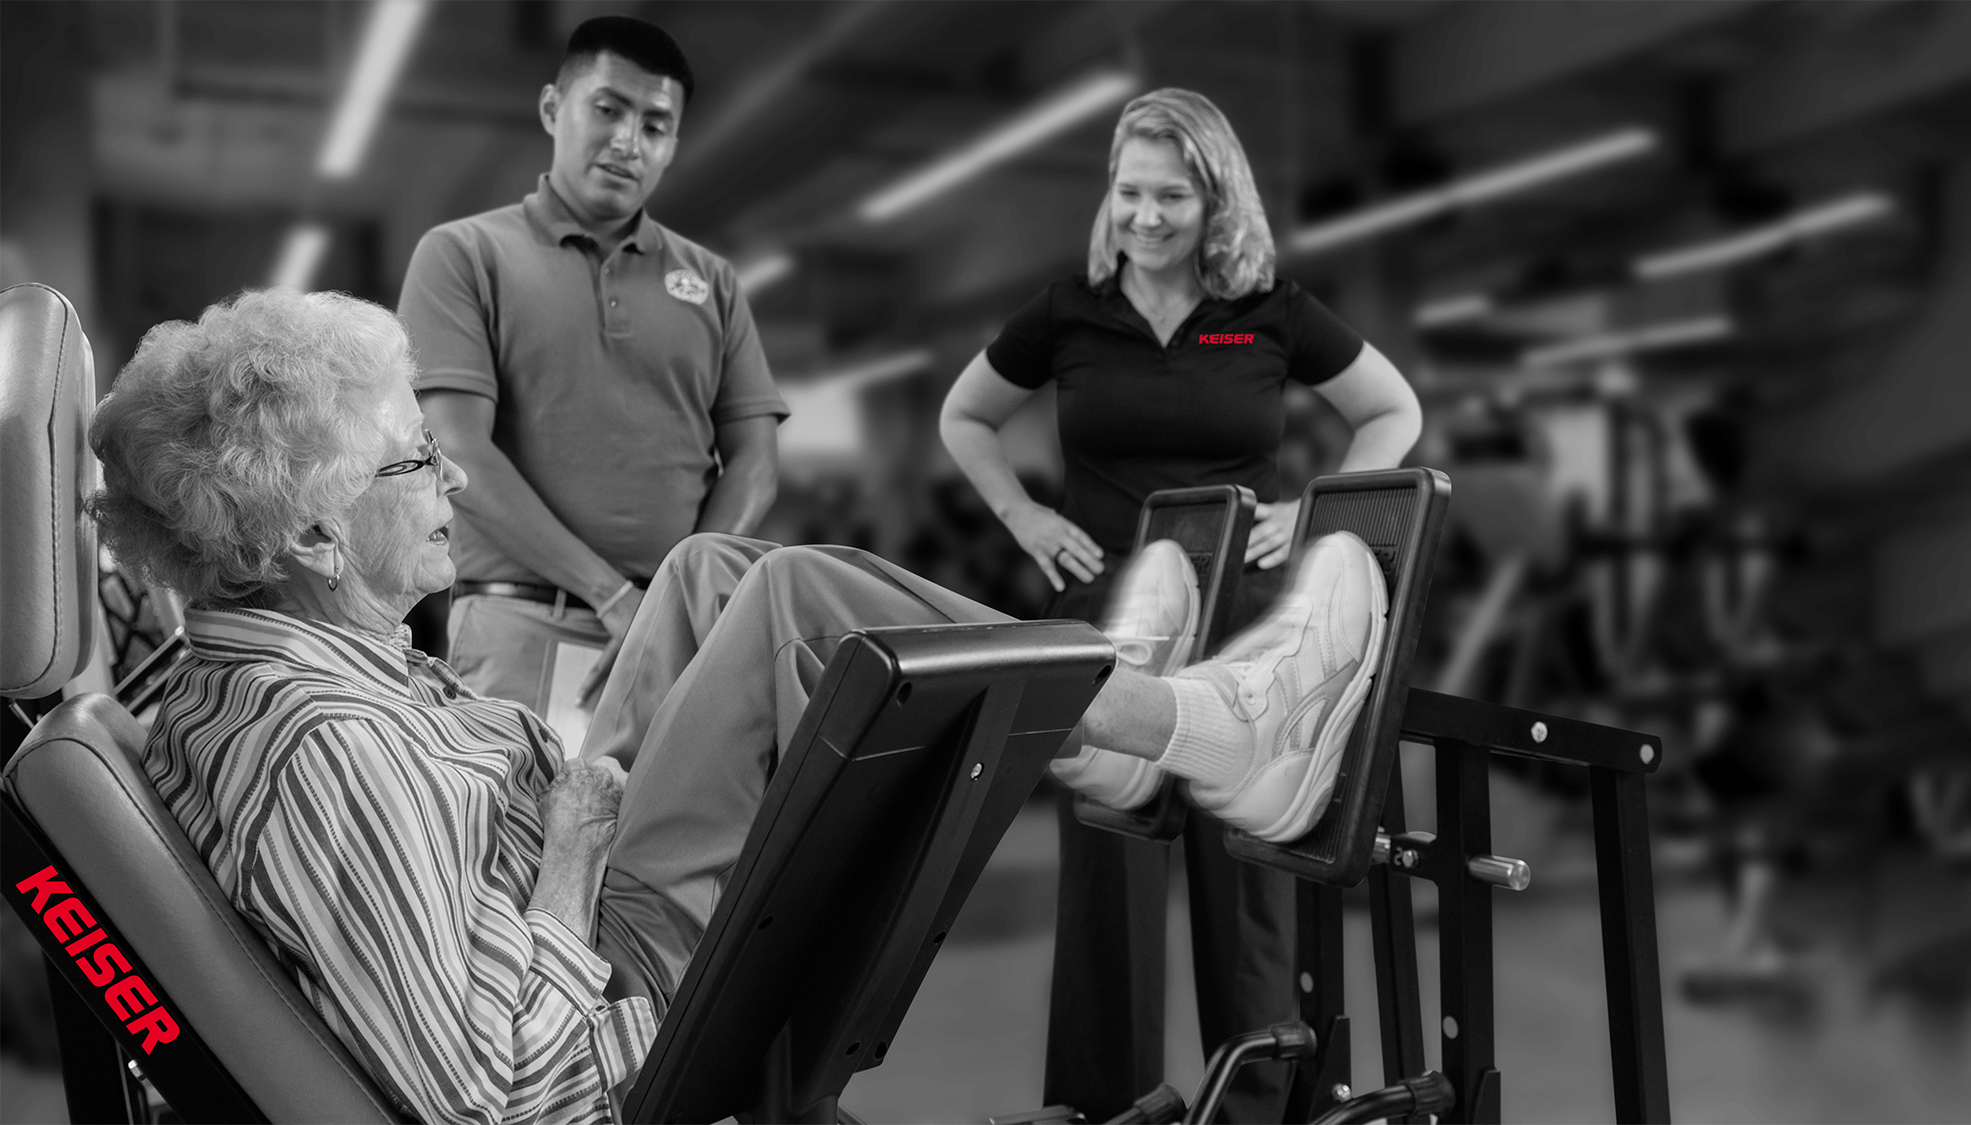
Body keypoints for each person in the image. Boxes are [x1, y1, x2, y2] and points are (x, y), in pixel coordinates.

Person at [88, 288, 1390, 1125]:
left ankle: (1098, 727)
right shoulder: (322, 751)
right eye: (412, 459)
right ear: (315, 531)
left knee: (715, 570)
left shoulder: (286, 661)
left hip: (560, 867)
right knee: (800, 606)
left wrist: (536, 777)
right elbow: (504, 1087)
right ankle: (1196, 729)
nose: (452, 484)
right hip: (614, 958)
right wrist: (577, 839)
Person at [937, 88, 1423, 1124]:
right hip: (1104, 620)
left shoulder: (1268, 313)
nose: (1145, 217)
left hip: (1238, 625)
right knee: (1106, 877)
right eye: (1128, 193)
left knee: (1240, 887)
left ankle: (1253, 1107)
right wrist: (1022, 519)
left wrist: (1310, 511)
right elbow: (965, 416)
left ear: (1214, 204)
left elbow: (1391, 409)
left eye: (1171, 195)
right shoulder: (1068, 310)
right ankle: (1098, 1109)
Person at [398, 15, 787, 716]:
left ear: (671, 145)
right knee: (526, 826)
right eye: (607, 110)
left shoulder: (713, 281)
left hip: (682, 635)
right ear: (553, 107)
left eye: (655, 125)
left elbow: (755, 455)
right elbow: (455, 447)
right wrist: (613, 596)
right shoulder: (464, 254)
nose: (626, 142)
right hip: (523, 623)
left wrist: (677, 601)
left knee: (680, 826)